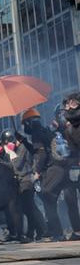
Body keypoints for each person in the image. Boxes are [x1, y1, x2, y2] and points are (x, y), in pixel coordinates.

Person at [24, 107, 73, 241]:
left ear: (28, 122)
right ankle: (61, 231)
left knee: (47, 197)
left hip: (54, 169)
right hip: (62, 168)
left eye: (24, 124)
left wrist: (37, 172)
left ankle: (57, 233)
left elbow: (41, 153)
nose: (24, 127)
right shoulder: (44, 130)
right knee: (55, 199)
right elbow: (39, 150)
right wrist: (23, 141)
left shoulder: (35, 133)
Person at [0, 130, 47, 241]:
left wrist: (9, 152)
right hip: (18, 181)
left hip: (27, 180)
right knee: (24, 208)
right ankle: (33, 231)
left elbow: (17, 164)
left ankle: (36, 231)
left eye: (7, 142)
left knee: (29, 208)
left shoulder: (23, 148)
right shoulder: (12, 150)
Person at [54, 95, 80, 240]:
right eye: (66, 108)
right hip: (71, 168)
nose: (68, 110)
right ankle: (77, 230)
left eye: (72, 105)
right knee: (70, 199)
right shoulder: (65, 130)